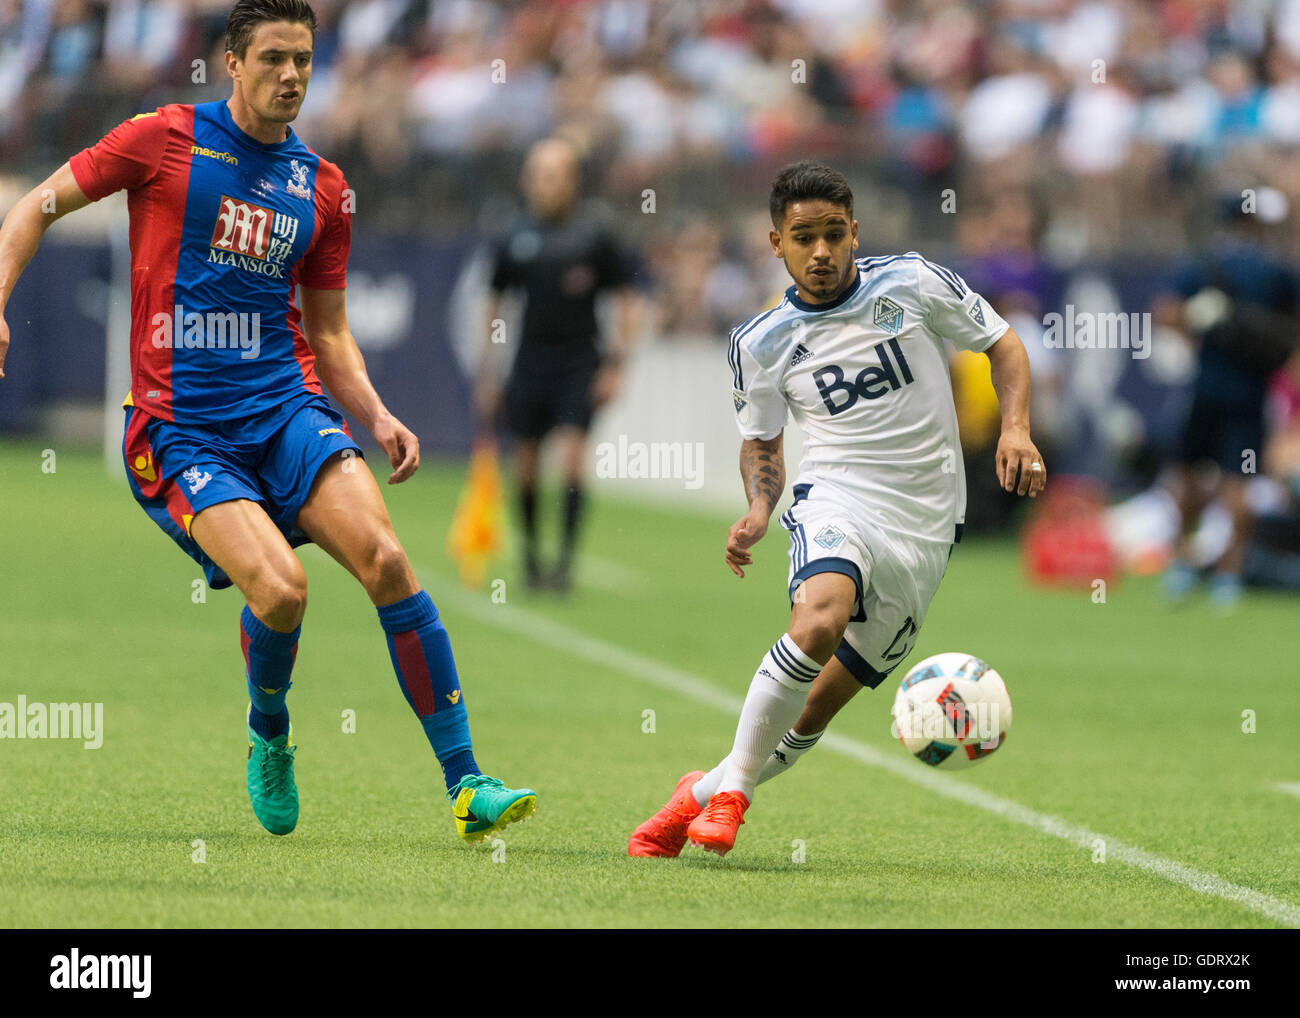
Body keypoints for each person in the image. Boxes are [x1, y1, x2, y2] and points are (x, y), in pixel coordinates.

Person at [0, 0, 535, 842]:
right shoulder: (162, 138)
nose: (291, 76)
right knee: (284, 592)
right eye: (275, 59)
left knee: (389, 559)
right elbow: (35, 206)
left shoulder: (321, 186)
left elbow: (327, 330)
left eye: (304, 62)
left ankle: (467, 783)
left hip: (287, 409)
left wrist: (375, 411)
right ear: (233, 62)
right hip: (181, 429)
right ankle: (270, 730)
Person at [628, 161, 1046, 858]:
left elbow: (1002, 342)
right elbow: (762, 441)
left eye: (831, 235)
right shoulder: (759, 343)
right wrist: (761, 509)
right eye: (802, 238)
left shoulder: (910, 284)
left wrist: (1015, 428)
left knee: (811, 712)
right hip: (837, 494)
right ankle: (733, 798)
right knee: (819, 614)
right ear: (775, 244)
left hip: (928, 522)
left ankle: (697, 794)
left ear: (854, 232)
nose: (819, 252)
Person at [476, 137, 641, 592]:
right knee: (525, 465)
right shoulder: (513, 236)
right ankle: (531, 561)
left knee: (571, 461)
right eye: (537, 175)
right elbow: (495, 303)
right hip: (529, 363)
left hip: (580, 363)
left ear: (572, 181)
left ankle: (564, 566)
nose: (543, 184)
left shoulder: (596, 235)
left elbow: (628, 301)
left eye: (553, 174)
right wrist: (488, 370)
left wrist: (617, 364)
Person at [1153, 192, 1300, 609]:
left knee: (1185, 474)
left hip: (1206, 390)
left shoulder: (1202, 265)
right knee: (1240, 482)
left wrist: (1195, 324)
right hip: (1250, 395)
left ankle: (1182, 564)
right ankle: (1228, 576)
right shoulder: (1276, 270)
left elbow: (1165, 314)